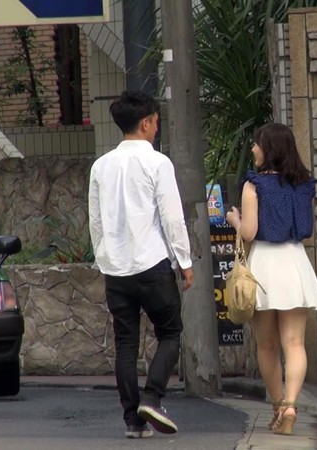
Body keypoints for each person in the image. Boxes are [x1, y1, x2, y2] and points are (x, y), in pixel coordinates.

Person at [88, 90, 194, 439]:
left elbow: (95, 221)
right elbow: (172, 217)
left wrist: (104, 257)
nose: (157, 127)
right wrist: (184, 261)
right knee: (170, 332)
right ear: (146, 122)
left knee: (126, 345)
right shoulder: (158, 163)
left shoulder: (101, 166)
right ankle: (152, 398)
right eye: (156, 122)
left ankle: (133, 422)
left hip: (115, 270)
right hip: (152, 264)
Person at [225, 122, 317, 436]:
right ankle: (291, 406)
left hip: (265, 265)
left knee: (267, 345)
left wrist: (235, 219)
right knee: (294, 343)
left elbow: (249, 233)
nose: (253, 149)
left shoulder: (254, 185)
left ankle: (278, 406)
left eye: (256, 144)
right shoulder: (304, 183)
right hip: (294, 261)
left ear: (268, 148)